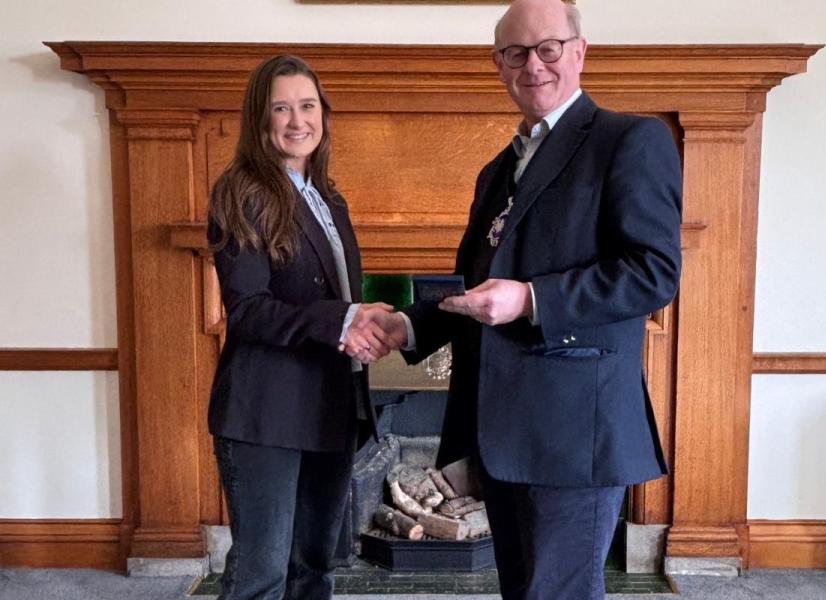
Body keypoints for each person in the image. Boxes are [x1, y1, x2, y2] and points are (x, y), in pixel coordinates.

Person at [384, 1, 683, 598]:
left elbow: (653, 273)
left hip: (576, 434)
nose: (533, 65)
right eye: (515, 53)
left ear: (579, 51)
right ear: (498, 64)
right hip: (501, 434)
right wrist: (407, 326)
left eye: (548, 48)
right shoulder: (497, 170)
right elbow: (475, 294)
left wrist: (530, 300)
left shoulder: (631, 140)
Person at [206, 54, 398, 600]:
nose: (298, 121)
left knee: (315, 567)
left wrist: (367, 320)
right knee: (261, 576)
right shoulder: (242, 193)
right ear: (259, 119)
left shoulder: (328, 197)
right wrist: (341, 320)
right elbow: (248, 309)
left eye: (308, 105)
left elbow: (339, 297)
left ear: (324, 114)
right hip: (265, 412)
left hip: (330, 406)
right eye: (282, 108)